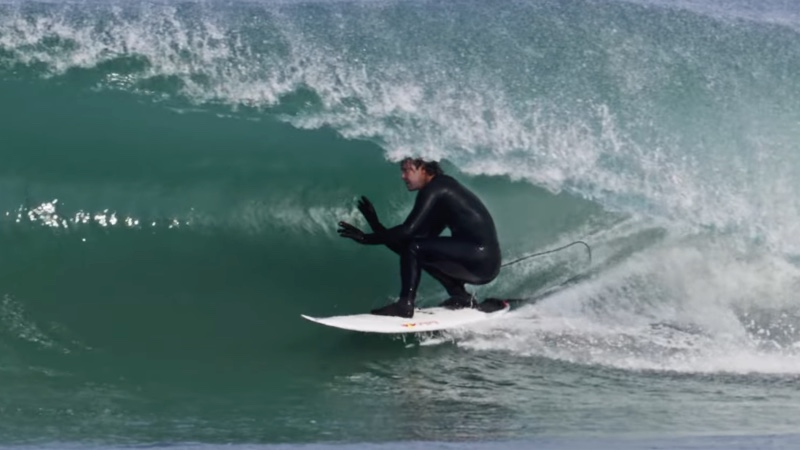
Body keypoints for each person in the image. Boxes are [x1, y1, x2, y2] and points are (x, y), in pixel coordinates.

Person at [337, 157, 501, 318]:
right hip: (484, 263)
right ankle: (461, 297)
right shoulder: (442, 193)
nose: (403, 176)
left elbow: (407, 231)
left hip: (481, 258)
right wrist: (375, 224)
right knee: (420, 251)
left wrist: (367, 238)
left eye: (407, 170)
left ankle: (405, 305)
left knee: (416, 248)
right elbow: (407, 248)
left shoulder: (437, 187)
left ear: (423, 168)